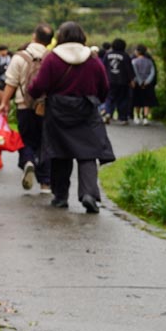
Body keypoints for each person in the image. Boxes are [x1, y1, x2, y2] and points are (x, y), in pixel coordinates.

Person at [26, 21, 114, 213]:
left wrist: (32, 95)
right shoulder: (91, 59)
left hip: (58, 111)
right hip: (86, 110)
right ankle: (89, 194)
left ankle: (60, 197)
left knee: (59, 154)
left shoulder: (52, 59)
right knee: (88, 154)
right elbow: (104, 87)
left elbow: (39, 85)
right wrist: (96, 100)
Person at [0, 25, 53, 194]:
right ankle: (45, 182)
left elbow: (11, 82)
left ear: (34, 36)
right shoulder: (52, 57)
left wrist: (4, 103)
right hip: (47, 106)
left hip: (24, 105)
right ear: (50, 41)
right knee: (46, 142)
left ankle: (28, 161)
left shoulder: (20, 57)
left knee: (26, 139)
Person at [105, 37, 135, 124]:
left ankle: (108, 113)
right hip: (123, 81)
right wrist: (131, 80)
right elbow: (128, 69)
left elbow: (103, 67)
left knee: (109, 98)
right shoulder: (125, 56)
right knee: (123, 99)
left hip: (110, 80)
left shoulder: (107, 55)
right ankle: (122, 118)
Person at [131, 44, 158, 125]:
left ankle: (137, 117)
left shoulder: (134, 61)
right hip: (148, 84)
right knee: (147, 101)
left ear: (138, 51)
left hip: (137, 84)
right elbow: (152, 72)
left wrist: (140, 82)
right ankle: (145, 118)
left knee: (137, 101)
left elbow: (134, 73)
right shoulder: (149, 61)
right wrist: (147, 81)